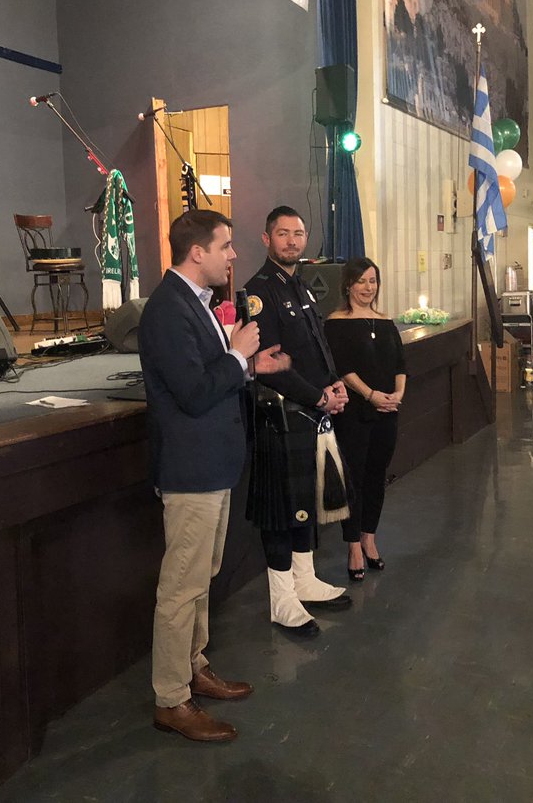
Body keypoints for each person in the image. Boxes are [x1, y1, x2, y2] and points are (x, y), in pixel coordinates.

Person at [138, 208, 290, 742]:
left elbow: (211, 376)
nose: (233, 255)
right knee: (181, 586)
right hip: (190, 468)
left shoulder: (194, 302)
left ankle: (193, 667)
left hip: (213, 464)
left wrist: (249, 366)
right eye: (225, 246)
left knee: (202, 574)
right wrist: (238, 354)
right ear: (197, 251)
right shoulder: (167, 309)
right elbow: (194, 392)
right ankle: (171, 699)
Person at [244, 205, 353, 638]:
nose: (292, 241)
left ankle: (304, 579)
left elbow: (315, 348)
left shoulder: (300, 286)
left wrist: (334, 383)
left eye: (299, 233)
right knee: (281, 510)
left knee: (304, 500)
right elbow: (270, 365)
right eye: (283, 233)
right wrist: (319, 397)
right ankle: (282, 598)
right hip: (281, 417)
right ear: (266, 239)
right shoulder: (259, 291)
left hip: (311, 412)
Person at [323, 258, 407, 581]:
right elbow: (342, 368)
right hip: (355, 412)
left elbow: (400, 364)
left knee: (377, 475)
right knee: (354, 478)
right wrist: (371, 395)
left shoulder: (385, 322)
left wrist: (397, 395)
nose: (368, 287)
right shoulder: (336, 323)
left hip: (388, 411)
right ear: (348, 285)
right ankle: (353, 545)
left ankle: (369, 538)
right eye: (361, 281)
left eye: (373, 281)